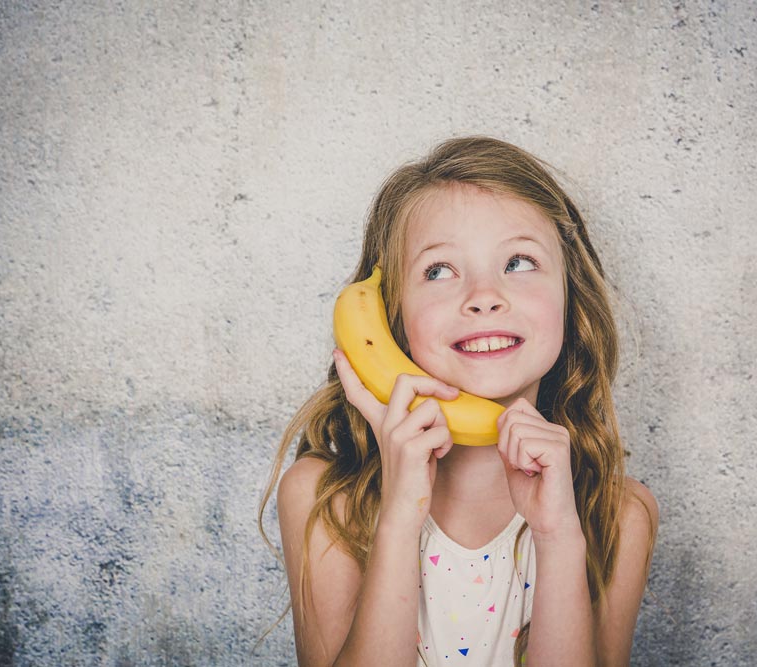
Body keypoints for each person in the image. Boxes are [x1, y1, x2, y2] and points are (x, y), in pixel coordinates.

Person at [260, 136, 658, 666]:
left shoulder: (619, 516)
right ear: (388, 319)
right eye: (439, 270)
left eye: (518, 261)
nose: (484, 295)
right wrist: (401, 512)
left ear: (570, 297)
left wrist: (559, 537)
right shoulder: (323, 502)